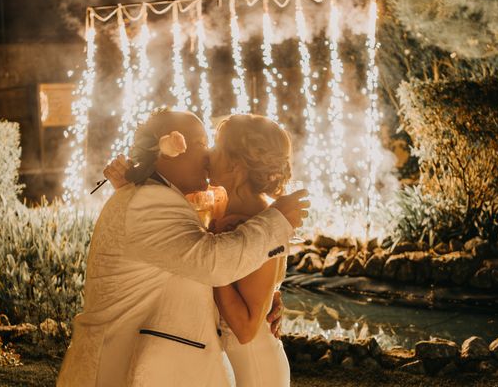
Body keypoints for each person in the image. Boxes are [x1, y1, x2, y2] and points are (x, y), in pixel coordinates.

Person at [57, 109, 309, 387]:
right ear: (167, 151)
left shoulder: (158, 199)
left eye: (211, 145)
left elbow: (207, 261)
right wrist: (277, 222)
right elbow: (211, 262)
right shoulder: (150, 202)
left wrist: (266, 293)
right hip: (122, 367)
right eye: (202, 144)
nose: (208, 155)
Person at [209, 114, 293, 386]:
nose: (209, 153)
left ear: (236, 165)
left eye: (216, 146)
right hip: (227, 362)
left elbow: (245, 328)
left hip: (254, 368)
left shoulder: (261, 222)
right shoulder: (226, 211)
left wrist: (213, 251)